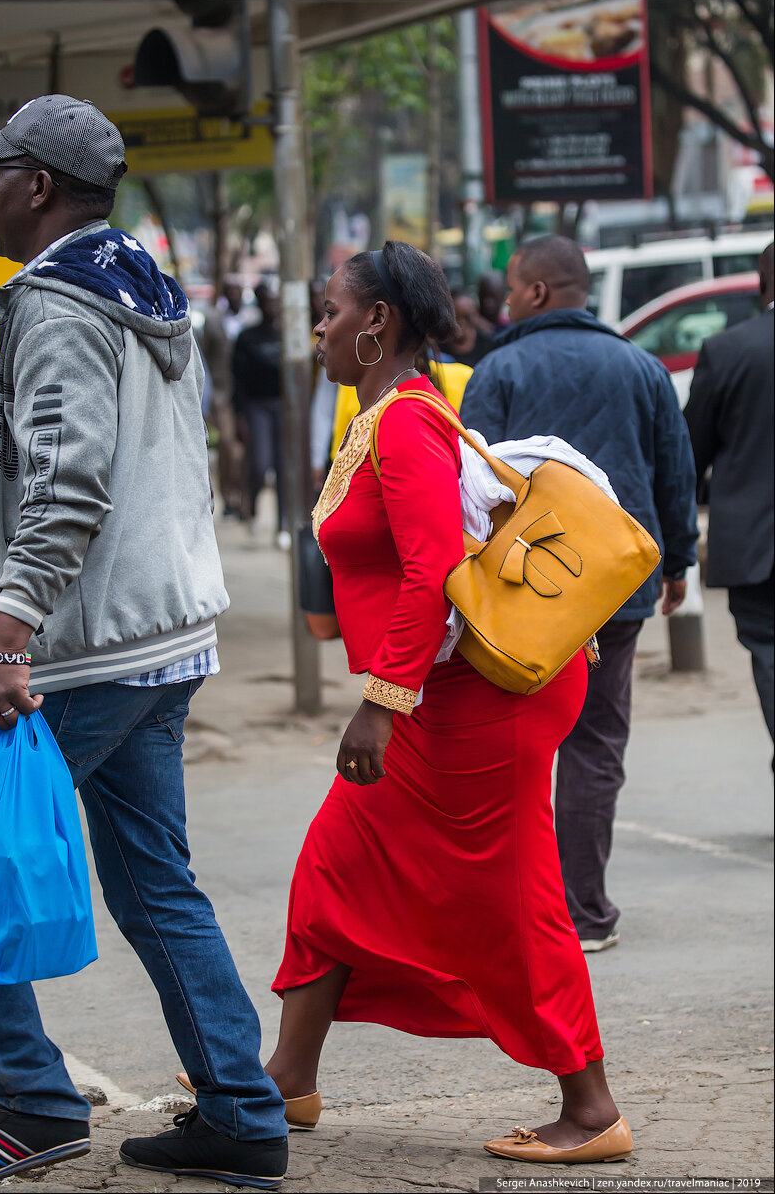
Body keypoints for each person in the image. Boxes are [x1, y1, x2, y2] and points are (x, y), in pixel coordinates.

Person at [197, 239, 633, 1164]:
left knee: (513, 897)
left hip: (477, 700)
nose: (318, 327)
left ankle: (591, 1107)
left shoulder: (404, 421)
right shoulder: (385, 412)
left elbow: (431, 570)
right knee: (335, 863)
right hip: (442, 693)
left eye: (330, 311)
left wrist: (381, 702)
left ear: (377, 323)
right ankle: (290, 1076)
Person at [0, 95, 288, 1190]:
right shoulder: (138, 283)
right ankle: (244, 1115)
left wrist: (8, 632)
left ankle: (29, 1099)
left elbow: (66, 483)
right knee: (157, 884)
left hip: (79, 648)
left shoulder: (58, 305)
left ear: (41, 188)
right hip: (161, 636)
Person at [460, 235, 698, 952]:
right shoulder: (641, 365)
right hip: (616, 590)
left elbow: (471, 491)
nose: (503, 298)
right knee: (596, 744)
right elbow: (673, 469)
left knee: (518, 745)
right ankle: (584, 913)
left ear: (535, 293)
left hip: (523, 594)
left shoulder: (497, 370)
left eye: (509, 286)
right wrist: (677, 562)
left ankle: (519, 909)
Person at [685, 242, 774, 749]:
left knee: (768, 655)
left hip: (755, 546)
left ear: (764, 280)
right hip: (755, 546)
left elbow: (691, 451)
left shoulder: (729, 350)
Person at [232, 283, 288, 547]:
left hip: (283, 407)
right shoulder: (247, 337)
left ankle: (282, 525)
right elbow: (239, 381)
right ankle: (251, 507)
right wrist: (240, 416)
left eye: (274, 301)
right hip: (257, 406)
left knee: (283, 466)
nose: (271, 306)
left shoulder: (287, 336)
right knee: (259, 462)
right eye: (266, 301)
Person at [200, 276, 255, 519]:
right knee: (228, 448)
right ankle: (230, 496)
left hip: (248, 394)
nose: (234, 295)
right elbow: (204, 361)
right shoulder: (212, 321)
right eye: (230, 290)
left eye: (237, 290)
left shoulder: (251, 319)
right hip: (222, 395)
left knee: (246, 449)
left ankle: (245, 499)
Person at [446, 289, 497, 368]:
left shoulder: (488, 344)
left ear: (475, 315)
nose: (461, 322)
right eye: (456, 317)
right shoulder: (438, 347)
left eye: (466, 317)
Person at [477, 270, 508, 335]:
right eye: (484, 296)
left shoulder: (509, 324)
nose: (487, 302)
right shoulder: (471, 322)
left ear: (503, 297)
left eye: (493, 297)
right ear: (478, 295)